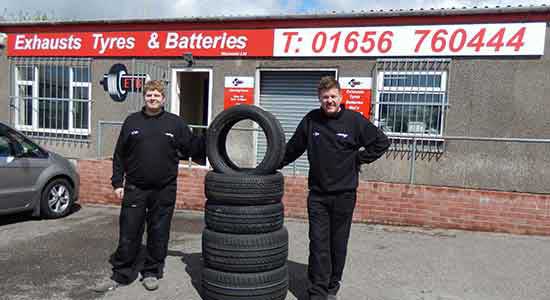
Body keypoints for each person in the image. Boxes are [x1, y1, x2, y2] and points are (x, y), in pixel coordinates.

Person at [280, 76, 390, 300]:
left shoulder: (354, 121)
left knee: (338, 244)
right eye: (324, 97)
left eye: (332, 96)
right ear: (319, 99)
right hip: (318, 195)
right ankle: (318, 292)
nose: (329, 101)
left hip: (344, 195)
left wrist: (359, 159)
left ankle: (332, 285)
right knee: (318, 243)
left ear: (341, 97)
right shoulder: (311, 120)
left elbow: (381, 142)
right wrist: (271, 164)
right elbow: (293, 148)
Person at [94, 80, 205, 293]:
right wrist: (118, 182)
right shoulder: (132, 121)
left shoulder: (175, 124)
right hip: (135, 187)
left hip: (164, 189)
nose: (152, 98)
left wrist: (212, 137)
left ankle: (151, 271)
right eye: (149, 95)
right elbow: (120, 155)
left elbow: (192, 147)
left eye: (156, 95)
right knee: (129, 230)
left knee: (159, 231)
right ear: (144, 97)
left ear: (163, 99)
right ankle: (122, 273)